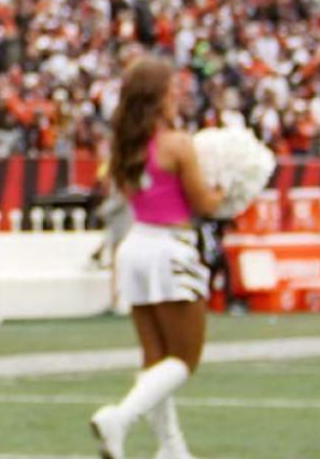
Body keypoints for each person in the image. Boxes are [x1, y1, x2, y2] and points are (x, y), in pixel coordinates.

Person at [89, 58, 223, 459]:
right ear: (159, 96)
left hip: (135, 247)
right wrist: (230, 190)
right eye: (172, 89)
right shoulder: (177, 143)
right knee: (185, 358)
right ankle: (120, 418)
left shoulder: (122, 146)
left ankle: (171, 448)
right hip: (170, 248)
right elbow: (204, 204)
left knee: (154, 359)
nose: (178, 95)